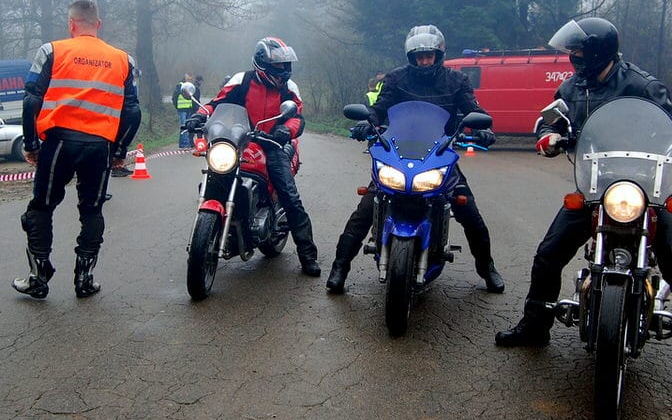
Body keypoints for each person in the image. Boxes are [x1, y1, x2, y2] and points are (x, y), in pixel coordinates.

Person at [494, 17, 672, 401]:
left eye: (579, 50)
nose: (573, 57)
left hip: (646, 189)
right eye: (572, 51)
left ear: (599, 50)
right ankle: (535, 326)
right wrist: (549, 134)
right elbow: (546, 117)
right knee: (548, 254)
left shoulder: (642, 85)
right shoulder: (574, 87)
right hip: (596, 187)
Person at [326, 24, 504, 294]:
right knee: (366, 207)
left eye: (429, 55)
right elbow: (379, 109)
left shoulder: (456, 81)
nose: (424, 61)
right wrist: (367, 123)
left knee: (469, 212)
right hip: (397, 153)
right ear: (411, 57)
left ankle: (486, 266)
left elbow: (472, 109)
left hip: (438, 156)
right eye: (419, 56)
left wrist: (482, 129)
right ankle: (340, 266)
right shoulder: (397, 78)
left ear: (438, 55)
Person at [12, 0, 141, 299]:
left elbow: (31, 99)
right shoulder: (123, 60)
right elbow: (132, 111)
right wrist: (120, 149)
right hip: (99, 146)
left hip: (58, 142)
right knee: (92, 209)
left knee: (41, 206)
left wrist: (31, 144)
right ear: (98, 24)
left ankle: (38, 275)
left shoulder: (51, 51)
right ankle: (84, 278)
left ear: (71, 24)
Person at [184, 37, 321, 277]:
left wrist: (284, 130)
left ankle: (308, 255)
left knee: (290, 197)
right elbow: (217, 103)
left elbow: (297, 117)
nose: (283, 69)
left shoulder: (289, 88)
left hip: (271, 143)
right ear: (261, 62)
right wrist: (199, 115)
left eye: (285, 64)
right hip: (239, 140)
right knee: (216, 174)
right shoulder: (243, 80)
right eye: (278, 64)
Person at [173, 72, 194, 148]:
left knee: (187, 126)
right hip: (182, 109)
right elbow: (174, 97)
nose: (189, 80)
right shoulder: (180, 85)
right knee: (184, 126)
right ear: (184, 78)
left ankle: (183, 144)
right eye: (188, 78)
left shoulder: (190, 86)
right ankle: (185, 144)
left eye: (190, 78)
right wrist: (177, 107)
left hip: (188, 109)